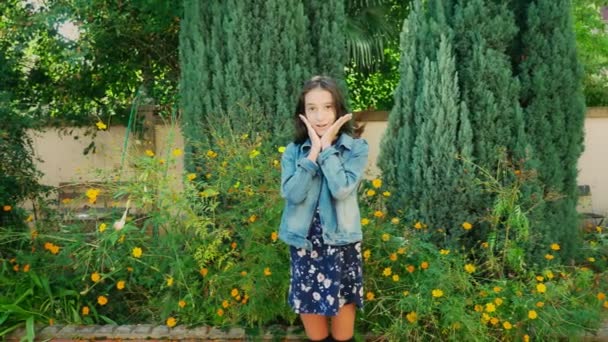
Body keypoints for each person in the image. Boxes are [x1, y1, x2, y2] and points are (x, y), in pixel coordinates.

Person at [278, 76, 369, 342]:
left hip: (341, 242)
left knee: (343, 309)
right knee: (310, 311)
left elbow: (342, 189)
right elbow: (292, 195)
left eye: (328, 107)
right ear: (302, 112)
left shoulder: (355, 149)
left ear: (338, 110)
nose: (320, 116)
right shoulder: (294, 152)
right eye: (312, 108)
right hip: (305, 243)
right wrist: (312, 153)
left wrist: (327, 149)